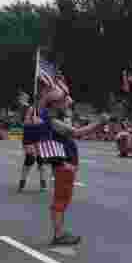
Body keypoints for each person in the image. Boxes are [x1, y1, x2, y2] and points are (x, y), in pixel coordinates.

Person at [38, 87, 110, 245]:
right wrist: (99, 122)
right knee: (60, 199)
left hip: (64, 164)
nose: (66, 104)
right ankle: (58, 234)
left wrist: (62, 91)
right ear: (54, 105)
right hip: (63, 164)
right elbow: (77, 133)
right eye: (62, 102)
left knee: (62, 199)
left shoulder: (51, 115)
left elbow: (66, 102)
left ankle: (60, 232)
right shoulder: (54, 122)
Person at [18, 94, 47, 193]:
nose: (43, 102)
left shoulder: (45, 111)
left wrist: (41, 122)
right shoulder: (31, 109)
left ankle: (43, 181)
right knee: (30, 158)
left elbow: (47, 124)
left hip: (39, 137)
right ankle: (22, 181)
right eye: (41, 100)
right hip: (29, 136)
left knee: (41, 160)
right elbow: (25, 123)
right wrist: (32, 121)